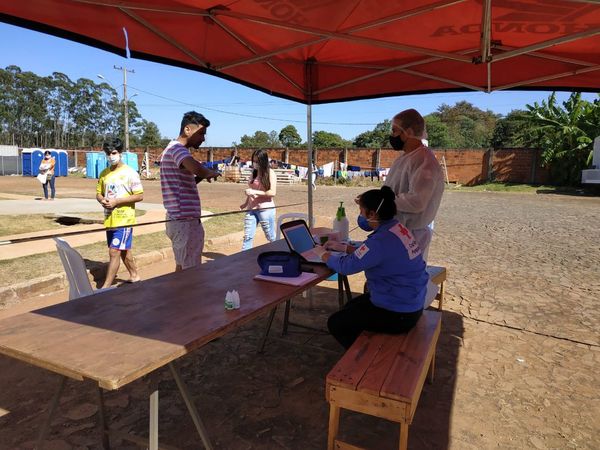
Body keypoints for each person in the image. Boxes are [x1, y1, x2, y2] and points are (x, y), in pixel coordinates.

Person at [313, 186, 428, 349]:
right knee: (350, 307)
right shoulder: (397, 229)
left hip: (399, 312)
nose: (360, 216)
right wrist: (343, 248)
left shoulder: (379, 241)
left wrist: (321, 253)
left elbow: (346, 267)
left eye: (361, 211)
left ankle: (362, 357)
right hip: (410, 301)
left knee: (336, 323)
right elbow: (377, 254)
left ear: (372, 214)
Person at [160, 111, 220, 271]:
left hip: (179, 219)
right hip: (184, 221)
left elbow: (184, 184)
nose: (203, 138)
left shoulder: (171, 149)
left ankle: (178, 296)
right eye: (201, 133)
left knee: (183, 266)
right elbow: (195, 168)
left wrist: (202, 176)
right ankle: (185, 296)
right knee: (191, 272)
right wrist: (208, 172)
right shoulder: (178, 149)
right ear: (187, 130)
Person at [384, 108, 444, 260]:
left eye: (395, 131)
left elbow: (417, 202)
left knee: (401, 280)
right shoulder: (405, 158)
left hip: (410, 237)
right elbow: (391, 190)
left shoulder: (424, 161)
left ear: (408, 132)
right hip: (396, 230)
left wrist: (383, 203)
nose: (392, 136)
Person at [96, 137, 144, 287]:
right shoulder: (104, 173)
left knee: (114, 251)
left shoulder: (130, 173)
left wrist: (117, 201)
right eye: (108, 153)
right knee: (124, 250)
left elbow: (139, 195)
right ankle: (134, 275)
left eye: (114, 152)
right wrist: (102, 199)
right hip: (110, 218)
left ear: (120, 152)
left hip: (124, 219)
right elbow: (98, 193)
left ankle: (105, 287)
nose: (111, 156)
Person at [240, 148, 277, 250]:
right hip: (251, 209)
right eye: (254, 161)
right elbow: (251, 190)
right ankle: (245, 257)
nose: (255, 164)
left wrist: (255, 192)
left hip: (265, 210)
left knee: (270, 236)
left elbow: (272, 192)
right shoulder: (254, 173)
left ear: (263, 161)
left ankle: (277, 252)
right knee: (247, 236)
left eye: (257, 161)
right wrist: (245, 203)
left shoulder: (271, 173)